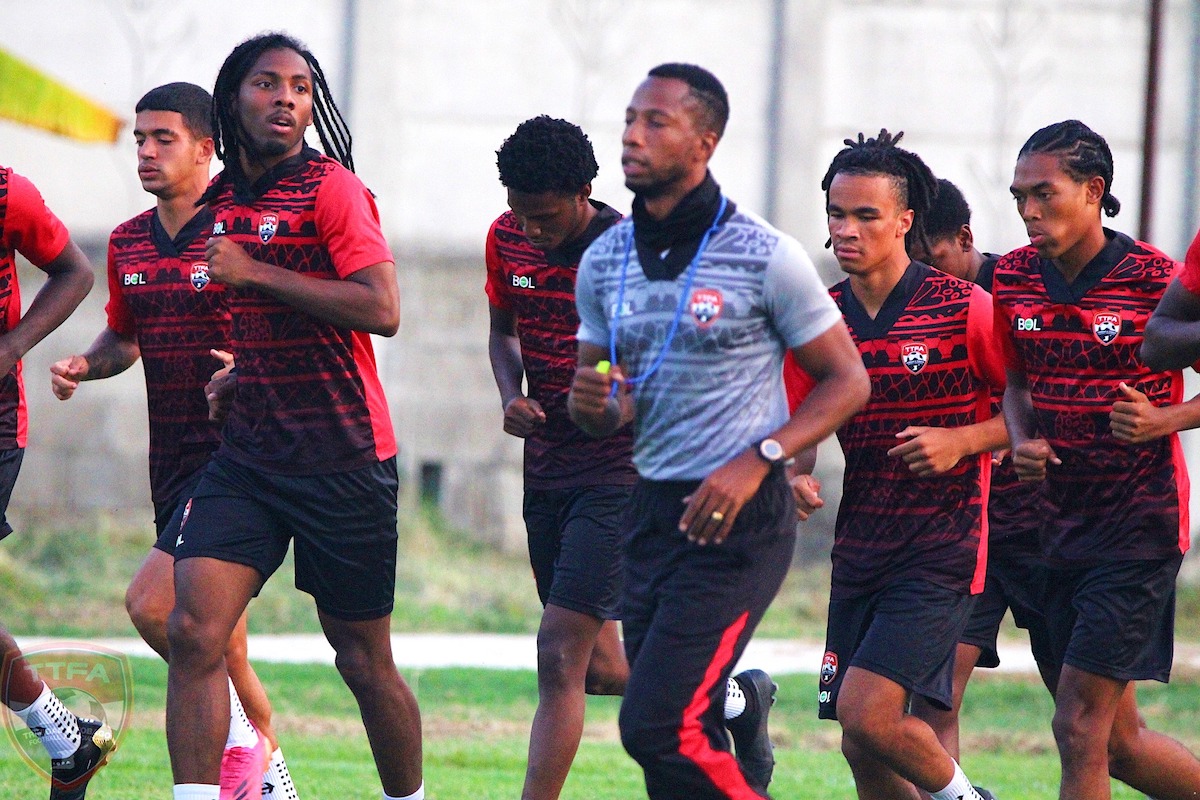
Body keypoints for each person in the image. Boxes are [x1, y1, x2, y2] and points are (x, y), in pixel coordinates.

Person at [569, 63, 868, 799]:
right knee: (680, 730)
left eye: (655, 123)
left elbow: (847, 381)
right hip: (651, 512)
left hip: (740, 518)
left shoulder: (765, 253)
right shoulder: (604, 259)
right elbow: (604, 405)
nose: (632, 136)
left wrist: (761, 458)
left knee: (656, 725)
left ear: (704, 142)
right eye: (630, 119)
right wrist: (589, 402)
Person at [488, 115, 780, 799]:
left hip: (622, 472)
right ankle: (737, 700)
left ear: (586, 191)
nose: (531, 230)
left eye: (546, 216)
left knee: (558, 651)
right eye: (520, 214)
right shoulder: (506, 239)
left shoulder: (633, 256)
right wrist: (512, 394)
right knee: (599, 669)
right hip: (548, 467)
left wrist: (619, 404)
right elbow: (503, 331)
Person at [162, 33, 422, 800]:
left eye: (301, 88)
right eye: (267, 84)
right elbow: (258, 311)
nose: (286, 99)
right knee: (192, 633)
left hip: (344, 458)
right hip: (248, 460)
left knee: (361, 660)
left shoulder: (332, 188)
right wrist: (244, 373)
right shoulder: (223, 202)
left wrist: (254, 273)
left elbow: (382, 308)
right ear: (230, 101)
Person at [48, 82, 298, 800]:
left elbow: (290, 326)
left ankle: (243, 747)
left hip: (240, 461)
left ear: (205, 147)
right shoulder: (128, 240)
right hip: (172, 461)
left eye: (163, 138)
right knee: (222, 641)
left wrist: (249, 369)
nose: (147, 152)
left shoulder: (242, 229)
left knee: (152, 606)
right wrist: (85, 364)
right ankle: (269, 772)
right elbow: (125, 336)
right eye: (139, 139)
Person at [783, 131, 1006, 800]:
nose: (845, 229)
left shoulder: (966, 308)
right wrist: (797, 470)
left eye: (865, 215)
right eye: (836, 213)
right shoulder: (821, 317)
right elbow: (804, 415)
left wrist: (962, 441)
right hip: (859, 548)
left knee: (870, 712)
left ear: (906, 222)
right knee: (860, 740)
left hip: (942, 549)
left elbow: (1031, 413)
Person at [994, 119, 1200, 800]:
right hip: (1051, 527)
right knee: (1117, 745)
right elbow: (1015, 383)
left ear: (1093, 191)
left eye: (1043, 194)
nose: (1028, 210)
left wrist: (1167, 419)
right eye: (1019, 195)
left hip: (1136, 526)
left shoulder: (1154, 278)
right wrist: (1021, 438)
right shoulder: (1017, 278)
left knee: (1078, 725)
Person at [909, 178, 1056, 781]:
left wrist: (968, 441)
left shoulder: (1018, 291)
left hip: (1048, 533)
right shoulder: (912, 308)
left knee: (1099, 728)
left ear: (964, 238)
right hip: (966, 536)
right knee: (931, 700)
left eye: (933, 260)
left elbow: (1049, 399)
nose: (924, 278)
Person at [0, 165, 98, 797]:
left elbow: (77, 272)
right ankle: (65, 737)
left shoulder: (8, 192)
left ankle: (63, 735)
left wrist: (12, 348)